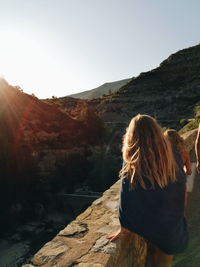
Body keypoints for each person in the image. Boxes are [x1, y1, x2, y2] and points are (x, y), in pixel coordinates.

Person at [108, 114, 188, 267]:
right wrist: (180, 214)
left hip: (147, 222)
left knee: (150, 255)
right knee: (164, 260)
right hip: (170, 220)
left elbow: (126, 195)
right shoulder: (171, 153)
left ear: (132, 135)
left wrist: (124, 228)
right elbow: (181, 185)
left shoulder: (132, 158)